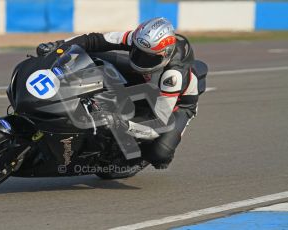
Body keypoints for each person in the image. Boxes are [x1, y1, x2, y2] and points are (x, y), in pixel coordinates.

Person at [36, 17, 199, 169]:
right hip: (146, 79)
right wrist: (58, 46)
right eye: (138, 51)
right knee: (92, 55)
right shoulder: (138, 38)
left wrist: (122, 125)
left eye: (149, 57)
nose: (141, 59)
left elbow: (158, 124)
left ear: (166, 54)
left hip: (175, 104)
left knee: (159, 154)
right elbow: (94, 40)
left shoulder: (173, 76)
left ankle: (139, 156)